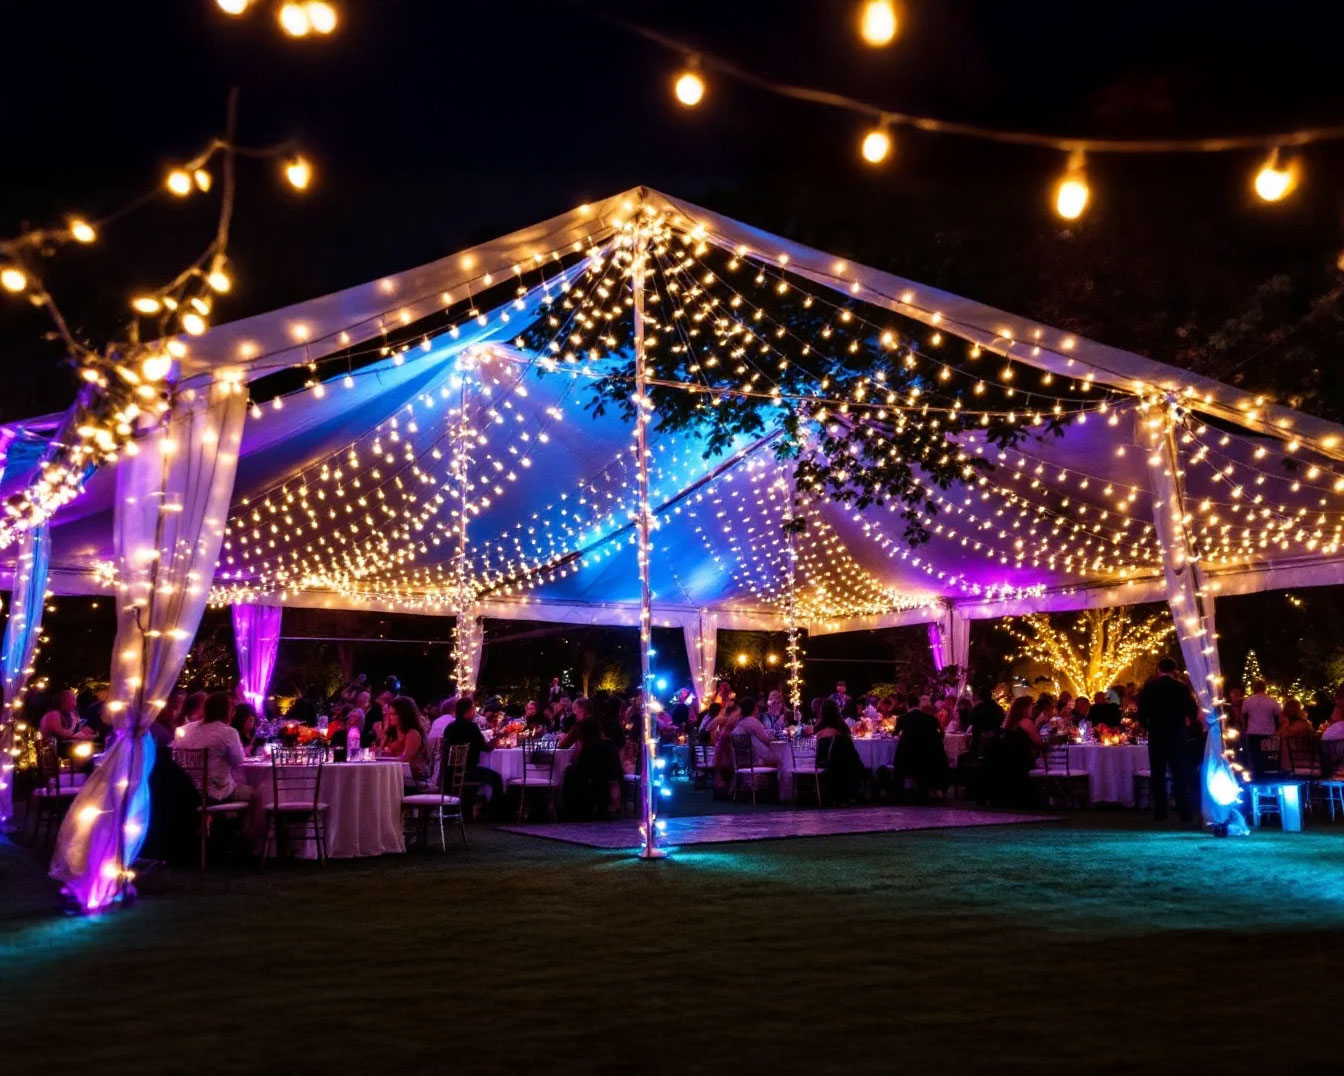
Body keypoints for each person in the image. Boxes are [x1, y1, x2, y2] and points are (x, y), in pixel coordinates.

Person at [1137, 658, 1198, 823]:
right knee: (1179, 773)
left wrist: (1147, 725)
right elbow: (1192, 710)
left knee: (1158, 774)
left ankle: (1160, 812)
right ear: (1174, 670)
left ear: (1158, 669)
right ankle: (1184, 811)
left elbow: (1142, 712)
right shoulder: (1181, 687)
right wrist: (1187, 722)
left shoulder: (1150, 687)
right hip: (1177, 734)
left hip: (1157, 733)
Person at [176, 692, 250, 804]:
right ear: (227, 711)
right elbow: (238, 760)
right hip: (216, 794)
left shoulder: (184, 729)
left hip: (187, 792)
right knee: (255, 792)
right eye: (232, 710)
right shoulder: (228, 732)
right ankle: (232, 815)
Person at [442, 695, 504, 816]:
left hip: (449, 773)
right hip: (468, 772)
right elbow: (485, 748)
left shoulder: (449, 728)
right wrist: (494, 742)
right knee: (497, 778)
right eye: (473, 709)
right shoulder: (471, 727)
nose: (474, 712)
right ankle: (493, 812)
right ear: (468, 711)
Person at [561, 715, 623, 820]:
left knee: (568, 774)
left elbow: (581, 766)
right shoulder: (609, 743)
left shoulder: (589, 746)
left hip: (591, 776)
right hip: (611, 774)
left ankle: (573, 809)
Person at [893, 692, 946, 801]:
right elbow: (941, 733)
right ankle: (934, 788)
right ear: (918, 704)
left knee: (898, 755)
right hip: (928, 754)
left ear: (907, 705)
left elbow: (895, 734)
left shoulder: (902, 719)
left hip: (907, 755)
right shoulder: (931, 718)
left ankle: (899, 790)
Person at [814, 699, 864, 805]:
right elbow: (850, 741)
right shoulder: (842, 727)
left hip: (824, 760)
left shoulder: (819, 727)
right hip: (845, 761)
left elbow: (814, 742)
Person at [380, 696, 429, 785]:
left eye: (394, 714)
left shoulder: (412, 733)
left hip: (412, 777)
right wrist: (386, 730)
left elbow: (405, 759)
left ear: (404, 715)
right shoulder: (391, 734)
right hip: (395, 774)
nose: (390, 717)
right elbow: (380, 752)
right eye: (389, 714)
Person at [1242, 678, 1281, 772]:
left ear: (1254, 688)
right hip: (1268, 731)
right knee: (1267, 755)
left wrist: (1245, 727)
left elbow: (1244, 715)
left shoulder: (1248, 701)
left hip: (1252, 732)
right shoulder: (1272, 701)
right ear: (1265, 688)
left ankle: (1256, 773)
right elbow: (1278, 715)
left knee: (1254, 755)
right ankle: (1265, 772)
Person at [966, 684, 1005, 754]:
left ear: (979, 696)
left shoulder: (977, 708)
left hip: (979, 741)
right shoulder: (997, 708)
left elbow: (970, 721)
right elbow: (1001, 719)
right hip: (994, 741)